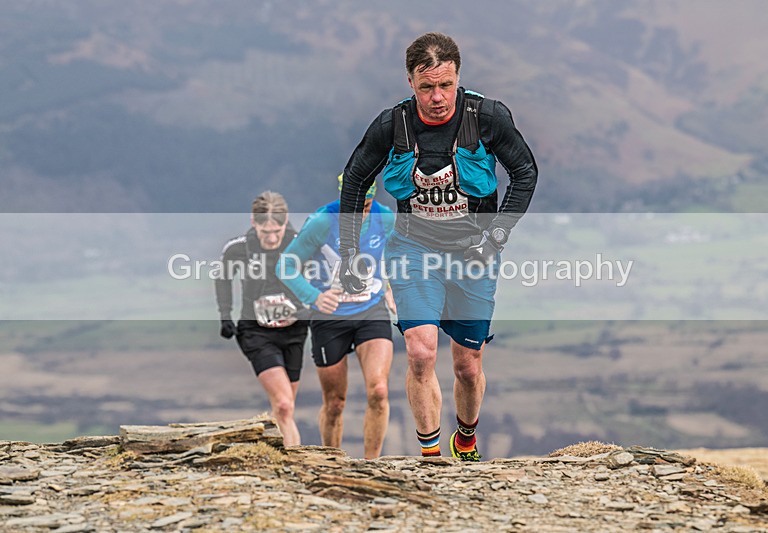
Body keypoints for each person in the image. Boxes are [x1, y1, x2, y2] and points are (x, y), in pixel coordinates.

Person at [337, 32, 538, 461]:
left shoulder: (487, 117)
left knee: (467, 366)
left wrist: (496, 236)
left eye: (445, 85)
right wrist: (350, 252)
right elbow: (355, 179)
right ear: (411, 82)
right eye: (426, 87)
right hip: (413, 249)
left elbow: (525, 172)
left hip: (473, 252)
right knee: (421, 350)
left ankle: (465, 438)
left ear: (457, 78)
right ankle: (431, 460)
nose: (437, 97)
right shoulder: (393, 125)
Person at [276, 175, 395, 459]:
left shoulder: (386, 219)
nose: (361, 210)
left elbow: (398, 254)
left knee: (378, 391)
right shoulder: (322, 222)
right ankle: (332, 463)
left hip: (371, 310)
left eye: (367, 204)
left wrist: (391, 287)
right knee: (335, 403)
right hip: (330, 318)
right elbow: (286, 266)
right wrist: (314, 296)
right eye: (355, 204)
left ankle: (371, 465)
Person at [215, 191, 309, 447]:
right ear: (254, 222)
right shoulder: (239, 248)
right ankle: (294, 462)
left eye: (276, 231)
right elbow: (222, 277)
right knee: (284, 404)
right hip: (256, 331)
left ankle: (280, 460)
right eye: (265, 231)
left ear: (285, 221)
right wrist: (226, 314)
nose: (271, 238)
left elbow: (319, 278)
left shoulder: (300, 244)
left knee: (285, 407)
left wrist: (312, 309)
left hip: (294, 330)